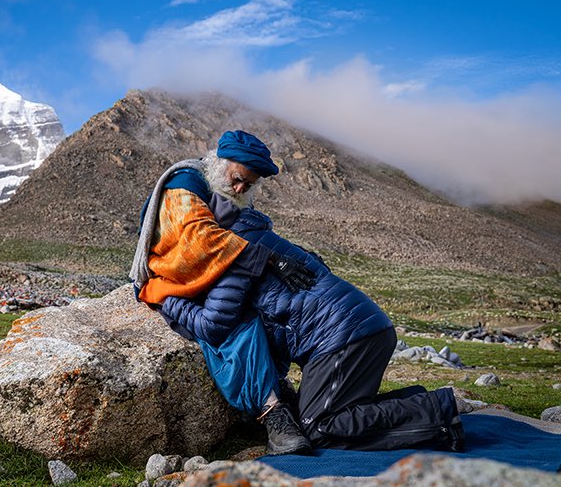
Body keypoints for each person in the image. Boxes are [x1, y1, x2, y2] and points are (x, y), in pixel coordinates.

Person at [159, 201, 466, 452]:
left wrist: (166, 299)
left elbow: (214, 324)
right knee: (327, 414)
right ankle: (417, 403)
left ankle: (436, 411)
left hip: (343, 341)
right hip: (362, 329)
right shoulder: (260, 238)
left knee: (320, 426)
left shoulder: (235, 252)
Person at [130, 130, 316, 455]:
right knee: (235, 324)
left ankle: (273, 385)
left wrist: (297, 256)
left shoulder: (227, 191)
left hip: (208, 274)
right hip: (170, 276)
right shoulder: (185, 183)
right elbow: (198, 239)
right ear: (221, 163)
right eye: (238, 178)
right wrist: (268, 257)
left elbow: (242, 233)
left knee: (259, 305)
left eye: (249, 184)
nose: (241, 188)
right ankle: (272, 412)